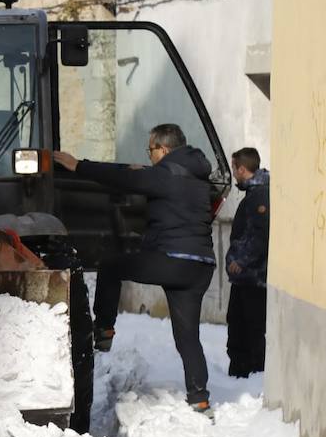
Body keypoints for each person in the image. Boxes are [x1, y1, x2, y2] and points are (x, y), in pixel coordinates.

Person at [52, 123, 217, 417]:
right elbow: (141, 175)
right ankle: (199, 398)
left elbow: (119, 179)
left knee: (112, 266)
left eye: (151, 150)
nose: (149, 155)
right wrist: (142, 171)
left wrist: (79, 166)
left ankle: (103, 328)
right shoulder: (196, 175)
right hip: (200, 266)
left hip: (173, 260)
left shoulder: (164, 177)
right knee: (188, 335)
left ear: (163, 149)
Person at [225, 147, 270, 378]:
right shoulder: (254, 194)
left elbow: (261, 235)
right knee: (237, 325)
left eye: (234, 168)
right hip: (245, 278)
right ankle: (240, 373)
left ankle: (252, 376)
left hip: (254, 278)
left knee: (251, 329)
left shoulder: (260, 195)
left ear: (242, 169)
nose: (233, 174)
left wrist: (241, 261)